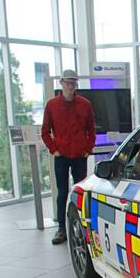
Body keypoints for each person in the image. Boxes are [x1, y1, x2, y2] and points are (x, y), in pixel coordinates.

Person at [41, 69, 95, 245]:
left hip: (80, 155)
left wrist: (87, 150)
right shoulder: (52, 105)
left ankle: (80, 226)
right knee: (62, 192)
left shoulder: (85, 104)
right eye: (67, 82)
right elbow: (45, 132)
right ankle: (62, 229)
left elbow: (91, 130)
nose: (70, 86)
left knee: (80, 192)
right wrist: (53, 149)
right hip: (62, 155)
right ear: (61, 83)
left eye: (73, 83)